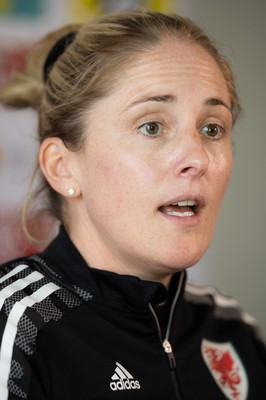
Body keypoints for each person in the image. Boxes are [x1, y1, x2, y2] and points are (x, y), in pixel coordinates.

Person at [0, 9, 265, 400]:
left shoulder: (231, 327)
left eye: (212, 128)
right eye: (152, 126)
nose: (198, 157)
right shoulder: (14, 329)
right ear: (63, 167)